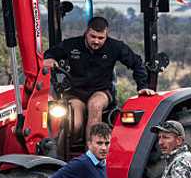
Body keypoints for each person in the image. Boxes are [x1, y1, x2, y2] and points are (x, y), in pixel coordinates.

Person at [43, 15, 155, 145]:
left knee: (94, 105)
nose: (96, 41)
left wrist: (142, 87)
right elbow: (48, 54)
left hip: (101, 91)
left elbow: (136, 63)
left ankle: (92, 156)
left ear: (106, 35)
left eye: (101, 38)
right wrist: (50, 59)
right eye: (93, 37)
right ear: (87, 33)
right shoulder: (71, 44)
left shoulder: (115, 47)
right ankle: (60, 157)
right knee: (75, 124)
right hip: (76, 93)